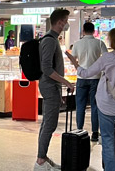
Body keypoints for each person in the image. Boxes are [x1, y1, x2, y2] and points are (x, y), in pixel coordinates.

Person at [67, 27, 115, 171]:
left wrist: (75, 63)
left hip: (107, 104)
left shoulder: (108, 58)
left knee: (108, 141)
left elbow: (86, 73)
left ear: (113, 40)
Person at [34, 9, 75, 171]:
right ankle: (40, 160)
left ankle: (42, 157)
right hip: (49, 86)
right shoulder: (50, 41)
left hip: (51, 86)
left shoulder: (51, 39)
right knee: (49, 124)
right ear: (60, 22)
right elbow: (46, 68)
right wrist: (66, 82)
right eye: (65, 20)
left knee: (48, 124)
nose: (66, 24)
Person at [68, 22, 109, 142]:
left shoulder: (77, 44)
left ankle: (79, 130)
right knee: (95, 106)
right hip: (96, 78)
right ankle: (95, 133)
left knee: (80, 106)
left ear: (83, 31)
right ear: (94, 31)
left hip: (81, 78)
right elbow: (106, 57)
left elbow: (72, 60)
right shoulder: (100, 43)